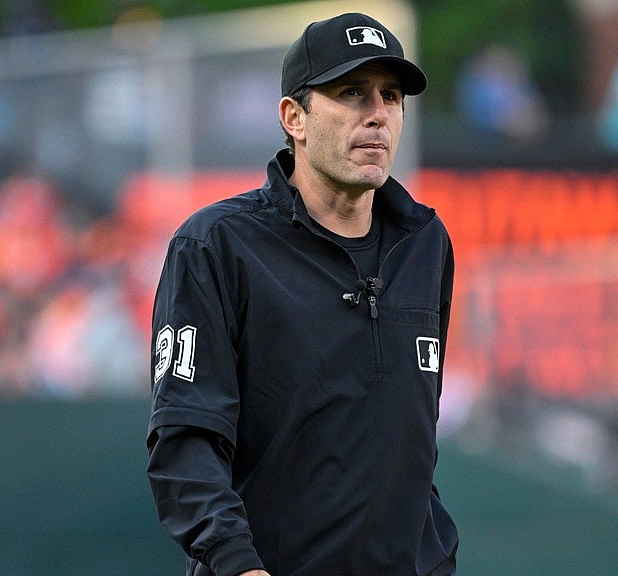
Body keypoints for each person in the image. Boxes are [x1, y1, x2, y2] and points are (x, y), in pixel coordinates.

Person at [146, 12, 459, 576]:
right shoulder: (216, 244)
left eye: (391, 96)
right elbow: (185, 441)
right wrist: (237, 563)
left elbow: (414, 441)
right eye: (352, 92)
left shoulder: (425, 244)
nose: (378, 114)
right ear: (295, 117)